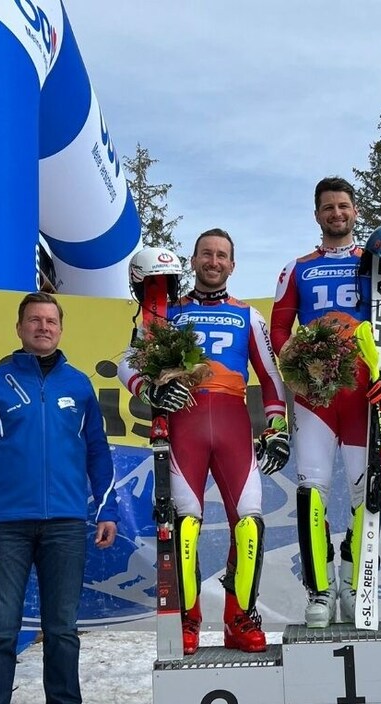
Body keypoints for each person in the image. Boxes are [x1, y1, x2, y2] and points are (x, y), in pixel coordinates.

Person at [0, 292, 119, 704]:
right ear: (20, 327)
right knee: (1, 630)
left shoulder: (80, 386)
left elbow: (98, 454)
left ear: (61, 329)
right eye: (34, 320)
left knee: (62, 631)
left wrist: (106, 511)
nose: (43, 327)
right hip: (6, 524)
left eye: (51, 320)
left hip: (66, 524)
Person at [119, 230, 289, 655]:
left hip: (233, 429)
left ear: (232, 265)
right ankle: (189, 619)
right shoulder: (164, 312)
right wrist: (148, 390)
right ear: (192, 261)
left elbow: (271, 378)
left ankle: (239, 618)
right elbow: (127, 361)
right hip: (185, 430)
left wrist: (276, 429)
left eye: (222, 256)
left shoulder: (249, 316)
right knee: (187, 527)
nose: (214, 262)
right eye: (206, 254)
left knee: (249, 524)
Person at [270, 176, 381, 627]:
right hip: (316, 397)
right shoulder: (296, 268)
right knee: (312, 491)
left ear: (355, 211)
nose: (336, 214)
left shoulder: (380, 263)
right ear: (317, 215)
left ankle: (354, 585)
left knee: (363, 495)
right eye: (328, 207)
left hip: (363, 397)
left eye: (343, 206)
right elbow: (278, 332)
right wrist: (298, 367)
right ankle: (319, 591)